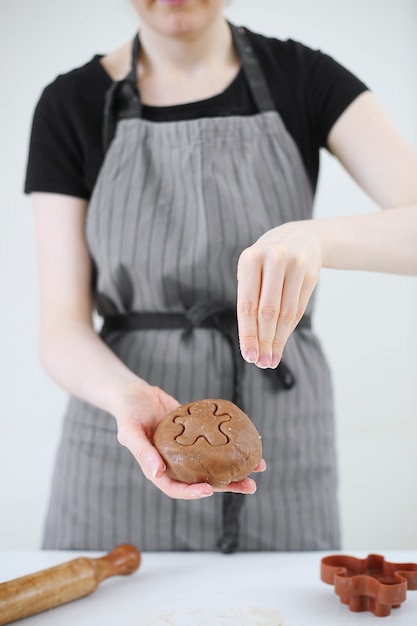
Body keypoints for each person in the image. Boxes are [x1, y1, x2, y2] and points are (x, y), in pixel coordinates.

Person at [25, 0, 417, 553]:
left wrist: (317, 237)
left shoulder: (304, 78)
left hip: (281, 437)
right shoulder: (71, 104)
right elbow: (61, 325)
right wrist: (123, 396)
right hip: (122, 438)